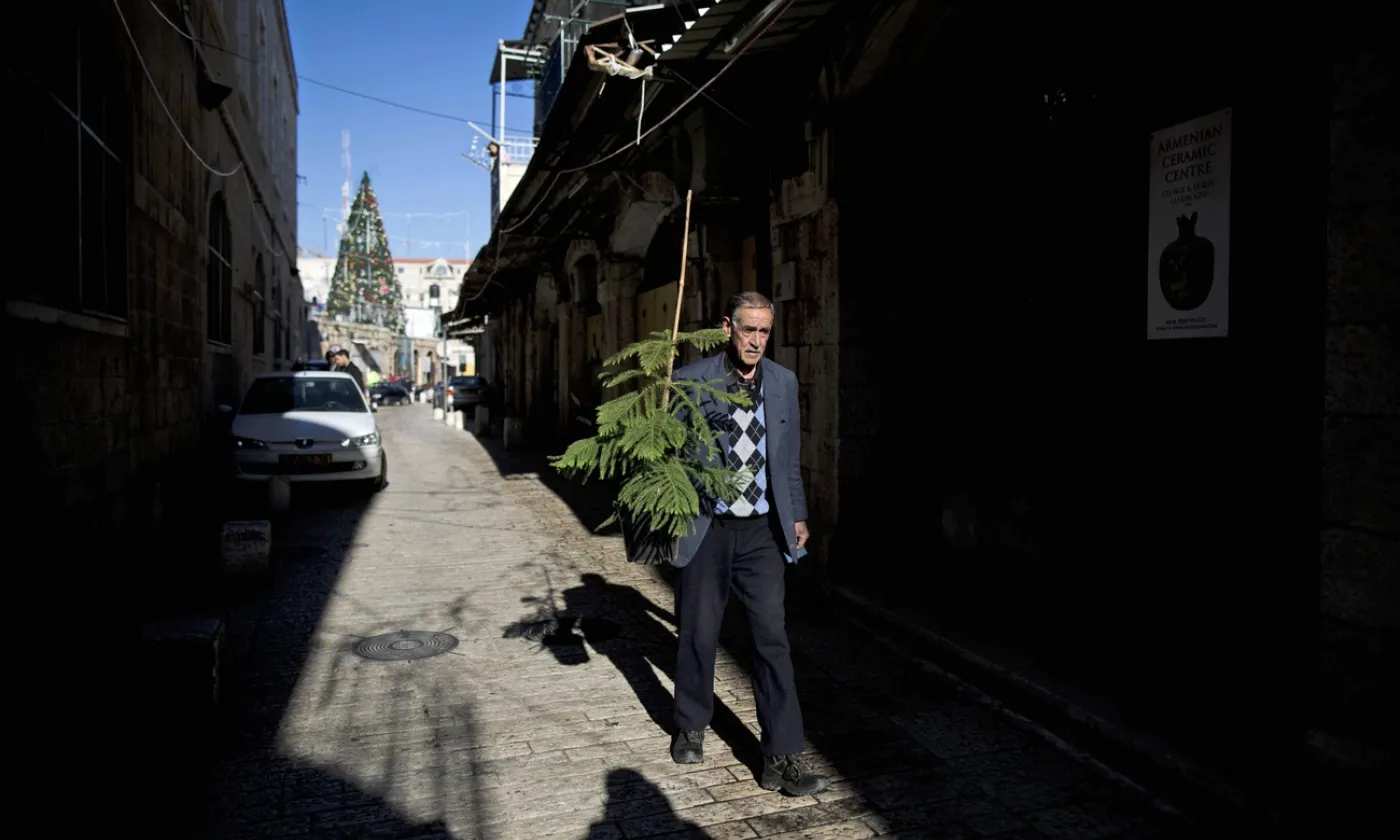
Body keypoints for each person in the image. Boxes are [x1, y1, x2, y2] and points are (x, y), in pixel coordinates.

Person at [667, 291, 828, 796]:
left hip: (762, 532)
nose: (756, 340)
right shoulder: (692, 380)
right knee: (699, 631)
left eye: (764, 331)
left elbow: (787, 459)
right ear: (727, 328)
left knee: (771, 638)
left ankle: (782, 754)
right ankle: (690, 723)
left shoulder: (782, 383)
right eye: (748, 329)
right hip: (708, 528)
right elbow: (671, 457)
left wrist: (796, 514)